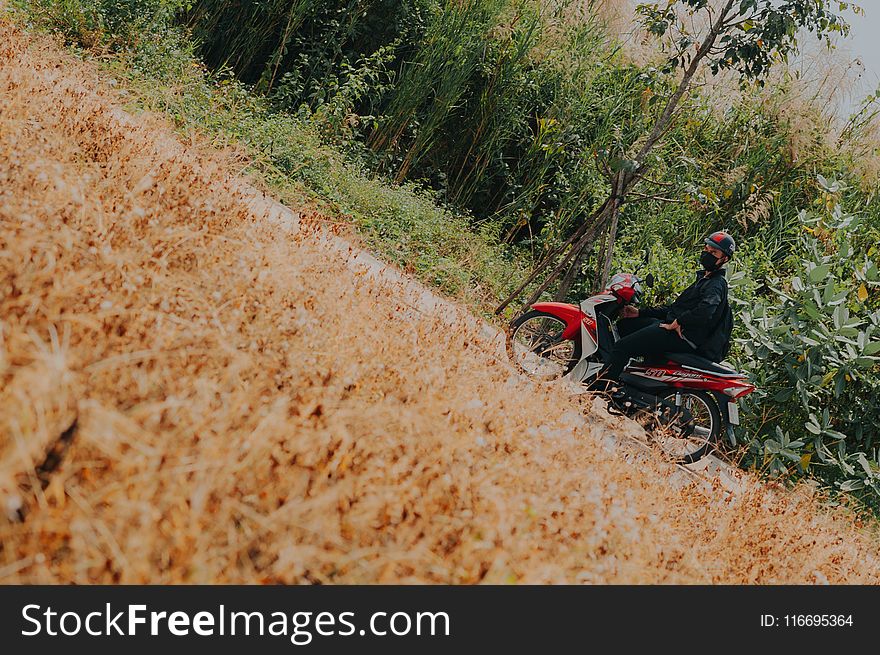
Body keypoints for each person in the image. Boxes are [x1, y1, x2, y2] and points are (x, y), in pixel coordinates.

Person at [600, 230, 736, 389]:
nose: (707, 254)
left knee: (622, 347)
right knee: (624, 326)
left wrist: (679, 322)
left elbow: (706, 310)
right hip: (676, 329)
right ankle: (631, 379)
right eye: (706, 249)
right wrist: (640, 312)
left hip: (684, 337)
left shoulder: (716, 284)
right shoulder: (704, 279)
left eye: (713, 252)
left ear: (724, 259)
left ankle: (599, 390)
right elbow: (674, 309)